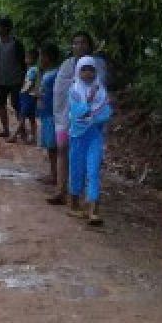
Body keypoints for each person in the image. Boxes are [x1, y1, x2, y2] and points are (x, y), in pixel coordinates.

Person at [47, 31, 106, 206]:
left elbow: (100, 93)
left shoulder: (97, 66)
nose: (79, 46)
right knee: (63, 149)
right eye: (75, 43)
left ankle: (83, 195)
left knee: (85, 156)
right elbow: (59, 92)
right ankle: (61, 190)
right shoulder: (66, 65)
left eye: (83, 43)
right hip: (65, 117)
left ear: (89, 46)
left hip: (88, 121)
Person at [66, 56, 112, 225]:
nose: (88, 73)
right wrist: (89, 102)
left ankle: (93, 209)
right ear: (79, 71)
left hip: (94, 136)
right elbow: (76, 112)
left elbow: (106, 113)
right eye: (84, 69)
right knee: (76, 169)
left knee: (93, 170)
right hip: (77, 136)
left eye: (91, 69)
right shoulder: (74, 91)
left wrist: (91, 114)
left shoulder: (101, 91)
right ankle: (74, 204)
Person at [0, 16, 25, 139]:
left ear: (6, 28)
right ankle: (6, 129)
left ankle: (22, 131)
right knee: (0, 104)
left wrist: (23, 80)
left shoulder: (16, 43)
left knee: (17, 105)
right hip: (1, 79)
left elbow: (22, 64)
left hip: (15, 80)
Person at [36, 42, 61, 189]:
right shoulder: (47, 72)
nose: (40, 58)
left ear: (48, 57)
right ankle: (53, 173)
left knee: (53, 147)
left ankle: (55, 175)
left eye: (41, 56)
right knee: (50, 146)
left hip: (52, 113)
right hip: (46, 112)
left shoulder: (55, 73)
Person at [12, 45, 40, 143]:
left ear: (33, 59)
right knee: (31, 117)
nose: (25, 59)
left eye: (27, 57)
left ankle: (15, 135)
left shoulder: (32, 70)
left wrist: (23, 91)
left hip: (28, 95)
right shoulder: (33, 69)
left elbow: (30, 82)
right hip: (31, 95)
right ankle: (33, 136)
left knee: (22, 116)